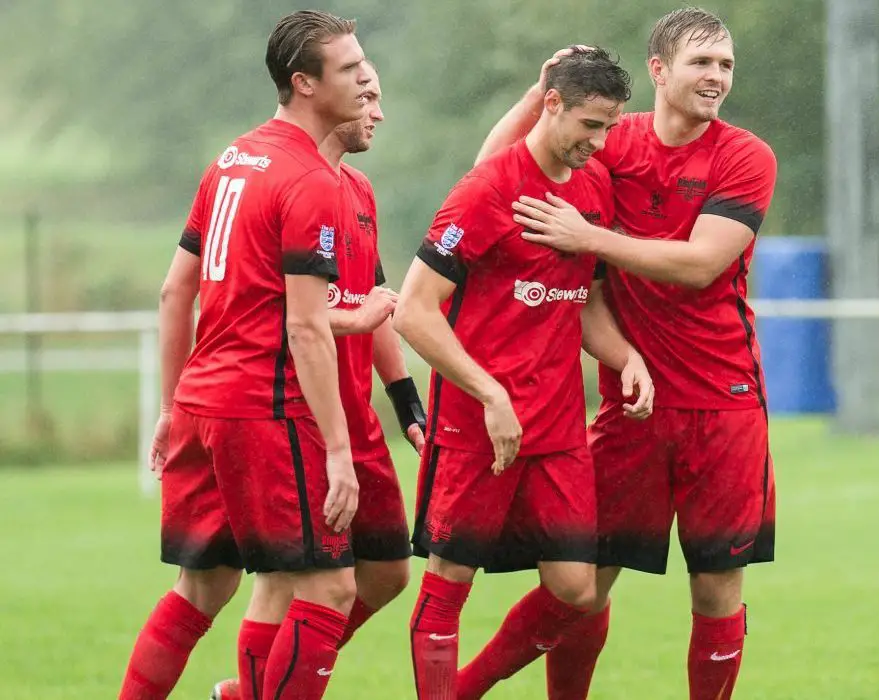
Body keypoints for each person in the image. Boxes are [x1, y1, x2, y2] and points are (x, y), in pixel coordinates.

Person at [474, 8, 778, 700]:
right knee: (580, 586)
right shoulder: (611, 142)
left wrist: (589, 238)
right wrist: (538, 89)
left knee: (715, 590)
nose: (717, 77)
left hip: (723, 404)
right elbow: (495, 172)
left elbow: (701, 264)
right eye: (703, 63)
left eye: (726, 65)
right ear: (659, 71)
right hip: (630, 411)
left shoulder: (744, 155)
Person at [118, 11, 372, 700]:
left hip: (204, 401)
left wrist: (172, 407)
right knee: (329, 585)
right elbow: (308, 329)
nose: (365, 77)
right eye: (349, 69)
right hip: (265, 410)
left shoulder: (232, 159)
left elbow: (176, 291)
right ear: (305, 84)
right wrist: (340, 453)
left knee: (203, 586)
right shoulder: (311, 179)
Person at [393, 48, 654, 700]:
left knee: (576, 589)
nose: (598, 143)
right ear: (552, 103)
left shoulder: (593, 191)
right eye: (590, 125)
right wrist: (489, 392)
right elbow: (413, 313)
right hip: (478, 424)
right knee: (449, 582)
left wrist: (628, 358)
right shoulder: (486, 191)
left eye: (610, 129)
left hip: (559, 426)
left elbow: (586, 306)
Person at [210, 63, 428, 700]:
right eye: (367, 98)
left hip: (356, 412)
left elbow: (373, 301)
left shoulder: (357, 190)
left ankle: (267, 686)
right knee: (301, 582)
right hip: (293, 411)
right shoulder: (292, 182)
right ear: (320, 93)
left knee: (386, 572)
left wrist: (404, 398)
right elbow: (293, 317)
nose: (378, 114)